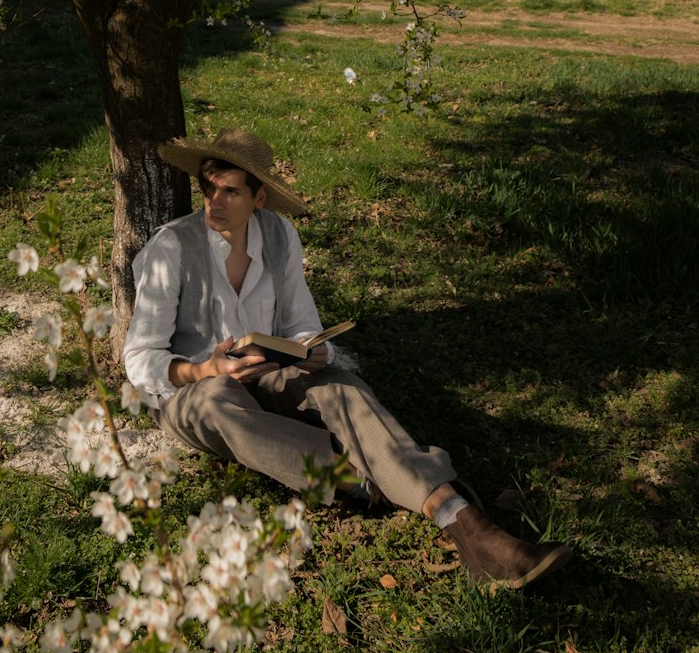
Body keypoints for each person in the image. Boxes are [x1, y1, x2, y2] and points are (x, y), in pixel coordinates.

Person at [123, 127, 572, 590]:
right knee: (219, 399)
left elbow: (301, 322)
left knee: (341, 385)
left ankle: (471, 528)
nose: (214, 202)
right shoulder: (172, 247)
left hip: (270, 374)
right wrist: (206, 368)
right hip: (192, 392)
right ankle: (365, 479)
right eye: (209, 188)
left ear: (259, 198)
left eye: (231, 191)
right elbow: (139, 359)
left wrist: (312, 348)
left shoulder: (279, 235)